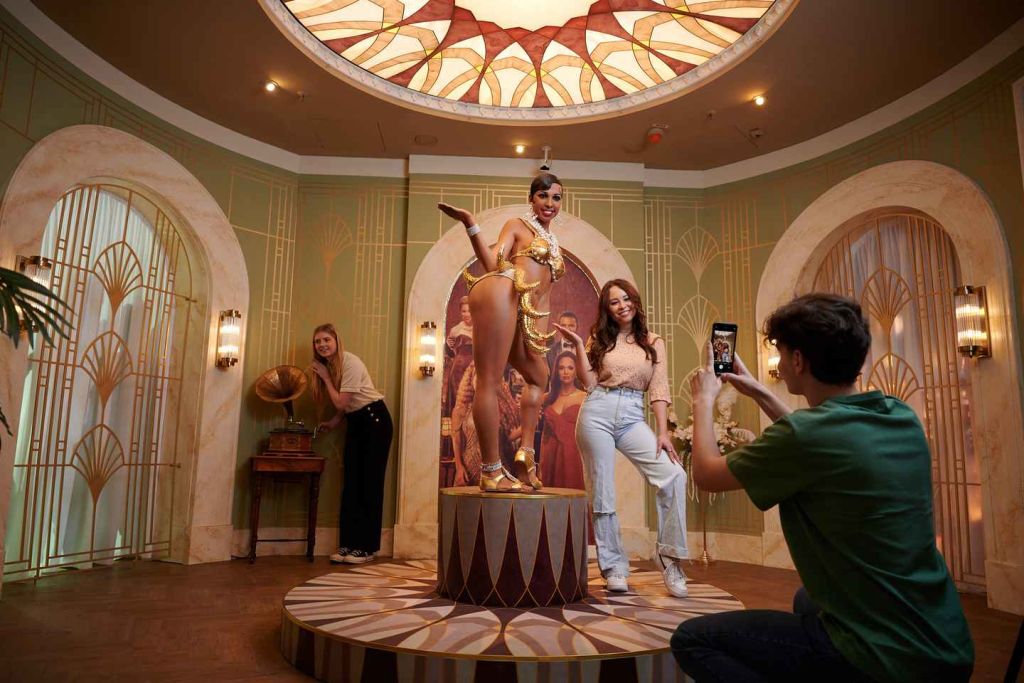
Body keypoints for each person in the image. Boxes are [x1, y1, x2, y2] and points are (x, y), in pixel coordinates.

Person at [674, 293, 974, 682]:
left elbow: (706, 474)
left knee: (693, 640)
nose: (781, 363)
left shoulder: (805, 436)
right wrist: (758, 390)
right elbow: (818, 437)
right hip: (946, 644)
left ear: (798, 360)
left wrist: (702, 401)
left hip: (886, 659)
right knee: (807, 600)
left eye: (782, 353)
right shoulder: (899, 415)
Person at [555, 279, 689, 598]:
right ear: (607, 309)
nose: (622, 305)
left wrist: (662, 432)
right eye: (614, 302)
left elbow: (659, 388)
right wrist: (579, 345)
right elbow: (589, 383)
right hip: (597, 410)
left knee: (674, 475)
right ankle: (614, 566)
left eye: (626, 298)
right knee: (602, 491)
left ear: (635, 301)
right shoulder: (600, 339)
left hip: (632, 415)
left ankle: (669, 558)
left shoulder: (653, 341)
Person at [437, 173, 565, 492]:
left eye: (556, 197)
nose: (550, 203)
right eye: (543, 196)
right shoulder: (517, 226)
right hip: (504, 296)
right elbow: (492, 263)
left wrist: (537, 336)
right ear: (531, 198)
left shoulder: (552, 241)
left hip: (527, 315)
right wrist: (470, 224)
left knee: (539, 377)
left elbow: (545, 297)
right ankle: (491, 470)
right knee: (490, 381)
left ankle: (525, 455)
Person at [308, 323, 393, 565]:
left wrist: (325, 378)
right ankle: (348, 544)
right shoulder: (332, 366)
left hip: (375, 421)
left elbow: (341, 403)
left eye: (326, 339)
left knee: (370, 484)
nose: (322, 345)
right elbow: (347, 406)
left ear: (336, 340)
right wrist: (334, 422)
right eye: (317, 341)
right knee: (352, 484)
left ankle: (366, 548)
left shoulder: (350, 362)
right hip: (356, 422)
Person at [539, 351, 587, 490]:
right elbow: (544, 435)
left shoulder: (584, 397)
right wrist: (540, 462)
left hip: (573, 454)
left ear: (576, 371)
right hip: (551, 454)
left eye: (570, 368)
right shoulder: (547, 398)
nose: (566, 372)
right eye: (561, 368)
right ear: (556, 371)